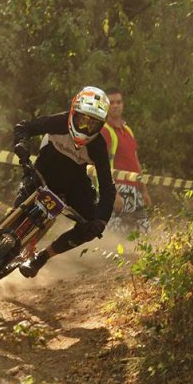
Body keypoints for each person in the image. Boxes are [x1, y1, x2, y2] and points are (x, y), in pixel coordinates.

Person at [11, 86, 115, 278]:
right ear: (73, 113)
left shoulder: (98, 146)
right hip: (43, 173)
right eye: (83, 120)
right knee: (17, 214)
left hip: (73, 185)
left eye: (92, 125)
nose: (85, 128)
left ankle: (42, 258)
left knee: (90, 228)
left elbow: (108, 187)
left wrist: (101, 219)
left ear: (101, 126)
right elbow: (24, 127)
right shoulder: (59, 121)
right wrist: (22, 145)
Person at [101, 89, 151, 234]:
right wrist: (113, 194)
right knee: (113, 237)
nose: (115, 105)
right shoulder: (105, 131)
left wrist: (144, 191)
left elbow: (136, 161)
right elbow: (103, 165)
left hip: (134, 190)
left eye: (119, 102)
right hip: (117, 190)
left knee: (144, 235)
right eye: (111, 102)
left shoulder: (128, 130)